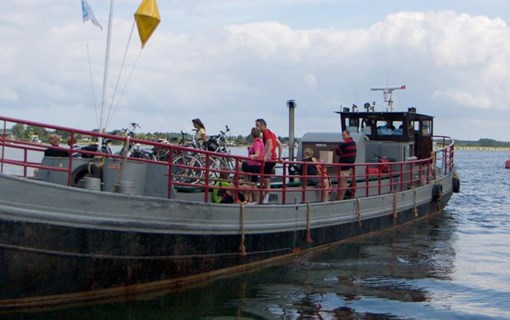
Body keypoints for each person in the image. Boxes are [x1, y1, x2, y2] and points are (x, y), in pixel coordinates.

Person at [255, 118, 282, 204]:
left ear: (263, 125)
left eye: (257, 126)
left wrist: (266, 156)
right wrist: (279, 157)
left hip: (269, 159)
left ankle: (266, 196)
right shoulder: (272, 133)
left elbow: (270, 145)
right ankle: (265, 194)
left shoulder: (266, 132)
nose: (257, 128)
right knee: (266, 177)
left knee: (266, 178)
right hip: (273, 158)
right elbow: (280, 145)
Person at [241, 127, 264, 203]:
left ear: (252, 134)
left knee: (253, 184)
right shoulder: (259, 141)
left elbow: (257, 153)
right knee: (252, 183)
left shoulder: (257, 143)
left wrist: (252, 156)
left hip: (254, 165)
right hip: (254, 165)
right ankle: (251, 199)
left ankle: (255, 200)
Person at [335, 130, 357, 200]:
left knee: (342, 183)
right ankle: (350, 195)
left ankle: (340, 198)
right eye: (342, 135)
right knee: (349, 181)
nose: (343, 137)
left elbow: (338, 151)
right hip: (350, 166)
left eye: (344, 135)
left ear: (348, 135)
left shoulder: (345, 144)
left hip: (344, 166)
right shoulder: (353, 143)